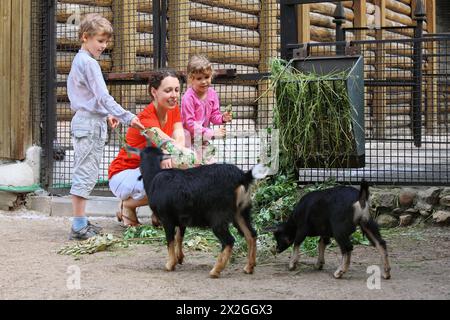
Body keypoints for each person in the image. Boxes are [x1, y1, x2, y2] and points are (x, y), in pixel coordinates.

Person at [67, 13, 145, 240]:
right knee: (85, 173)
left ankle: (81, 221)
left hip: (90, 120)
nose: (104, 46)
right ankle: (78, 226)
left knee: (87, 172)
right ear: (85, 37)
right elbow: (103, 96)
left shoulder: (80, 60)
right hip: (88, 123)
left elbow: (92, 98)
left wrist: (107, 115)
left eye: (106, 42)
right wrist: (127, 117)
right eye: (100, 41)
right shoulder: (89, 63)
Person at [108, 69, 186, 227]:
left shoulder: (173, 108)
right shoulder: (147, 117)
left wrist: (170, 153)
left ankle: (158, 214)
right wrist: (170, 153)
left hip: (144, 171)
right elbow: (166, 142)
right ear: (154, 91)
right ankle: (128, 205)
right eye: (168, 90)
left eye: (177, 90)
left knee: (177, 169)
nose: (174, 95)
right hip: (123, 175)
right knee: (174, 175)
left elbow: (180, 138)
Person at [181, 55, 232, 162]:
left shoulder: (212, 94)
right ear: (191, 79)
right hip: (188, 140)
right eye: (199, 78)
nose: (204, 81)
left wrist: (222, 118)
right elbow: (189, 124)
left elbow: (214, 116)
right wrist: (212, 133)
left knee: (210, 165)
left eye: (207, 77)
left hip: (203, 140)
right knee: (193, 166)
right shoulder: (188, 97)